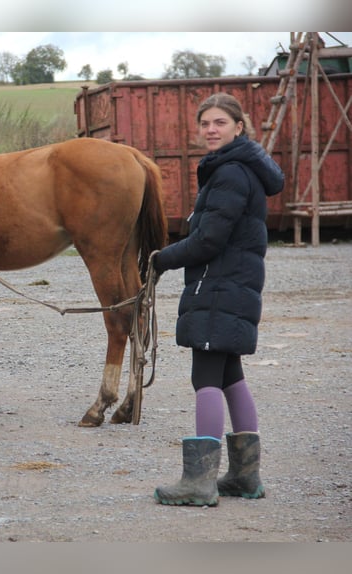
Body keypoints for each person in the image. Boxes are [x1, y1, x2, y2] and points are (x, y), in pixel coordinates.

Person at [151, 92, 284, 506]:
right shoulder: (241, 168)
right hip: (234, 287)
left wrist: (161, 260)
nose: (211, 130)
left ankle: (199, 483)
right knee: (230, 376)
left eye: (220, 123)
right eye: (205, 123)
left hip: (220, 288)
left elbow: (208, 240)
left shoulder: (229, 173)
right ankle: (245, 477)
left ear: (239, 128)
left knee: (205, 377)